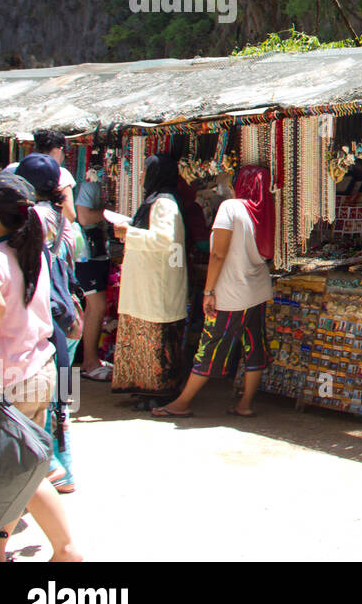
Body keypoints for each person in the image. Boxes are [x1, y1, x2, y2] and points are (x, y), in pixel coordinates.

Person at [0, 172, 83, 562]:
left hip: (8, 378)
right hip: (38, 370)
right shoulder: (31, 251)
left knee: (15, 469)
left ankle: (65, 548)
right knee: (19, 469)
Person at [152, 166, 274, 419]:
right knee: (254, 345)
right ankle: (245, 404)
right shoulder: (266, 211)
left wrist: (208, 291)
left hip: (231, 292)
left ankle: (182, 402)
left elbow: (218, 253)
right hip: (258, 289)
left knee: (211, 344)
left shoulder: (231, 208)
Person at [15, 154, 83, 494]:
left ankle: (50, 469)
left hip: (48, 319)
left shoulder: (31, 221)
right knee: (64, 398)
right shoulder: (62, 219)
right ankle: (65, 467)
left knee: (45, 400)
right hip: (69, 314)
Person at [111, 155, 191, 408]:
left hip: (157, 283)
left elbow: (164, 240)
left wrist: (129, 232)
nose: (143, 176)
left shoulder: (164, 203)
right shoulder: (155, 200)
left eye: (147, 170)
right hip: (145, 282)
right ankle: (144, 389)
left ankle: (160, 392)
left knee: (157, 336)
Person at [74, 169, 112, 380]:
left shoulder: (96, 182)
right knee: (97, 306)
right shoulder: (90, 183)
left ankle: (90, 359)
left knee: (94, 307)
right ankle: (89, 362)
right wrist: (111, 211)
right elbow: (85, 217)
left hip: (93, 253)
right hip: (85, 254)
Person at [4, 130, 76, 226]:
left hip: (13, 230)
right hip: (45, 234)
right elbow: (70, 216)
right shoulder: (62, 174)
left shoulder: (11, 169)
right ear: (60, 149)